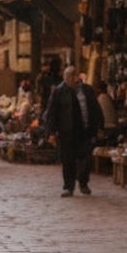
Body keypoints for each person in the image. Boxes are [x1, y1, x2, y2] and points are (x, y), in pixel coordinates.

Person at [43, 65, 103, 196]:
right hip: (67, 131)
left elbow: (95, 109)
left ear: (76, 77)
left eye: (70, 77)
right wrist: (51, 132)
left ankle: (83, 182)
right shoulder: (59, 91)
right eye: (66, 77)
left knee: (85, 157)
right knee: (68, 159)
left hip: (85, 130)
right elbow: (51, 112)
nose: (68, 80)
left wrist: (98, 126)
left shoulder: (87, 90)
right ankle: (68, 186)